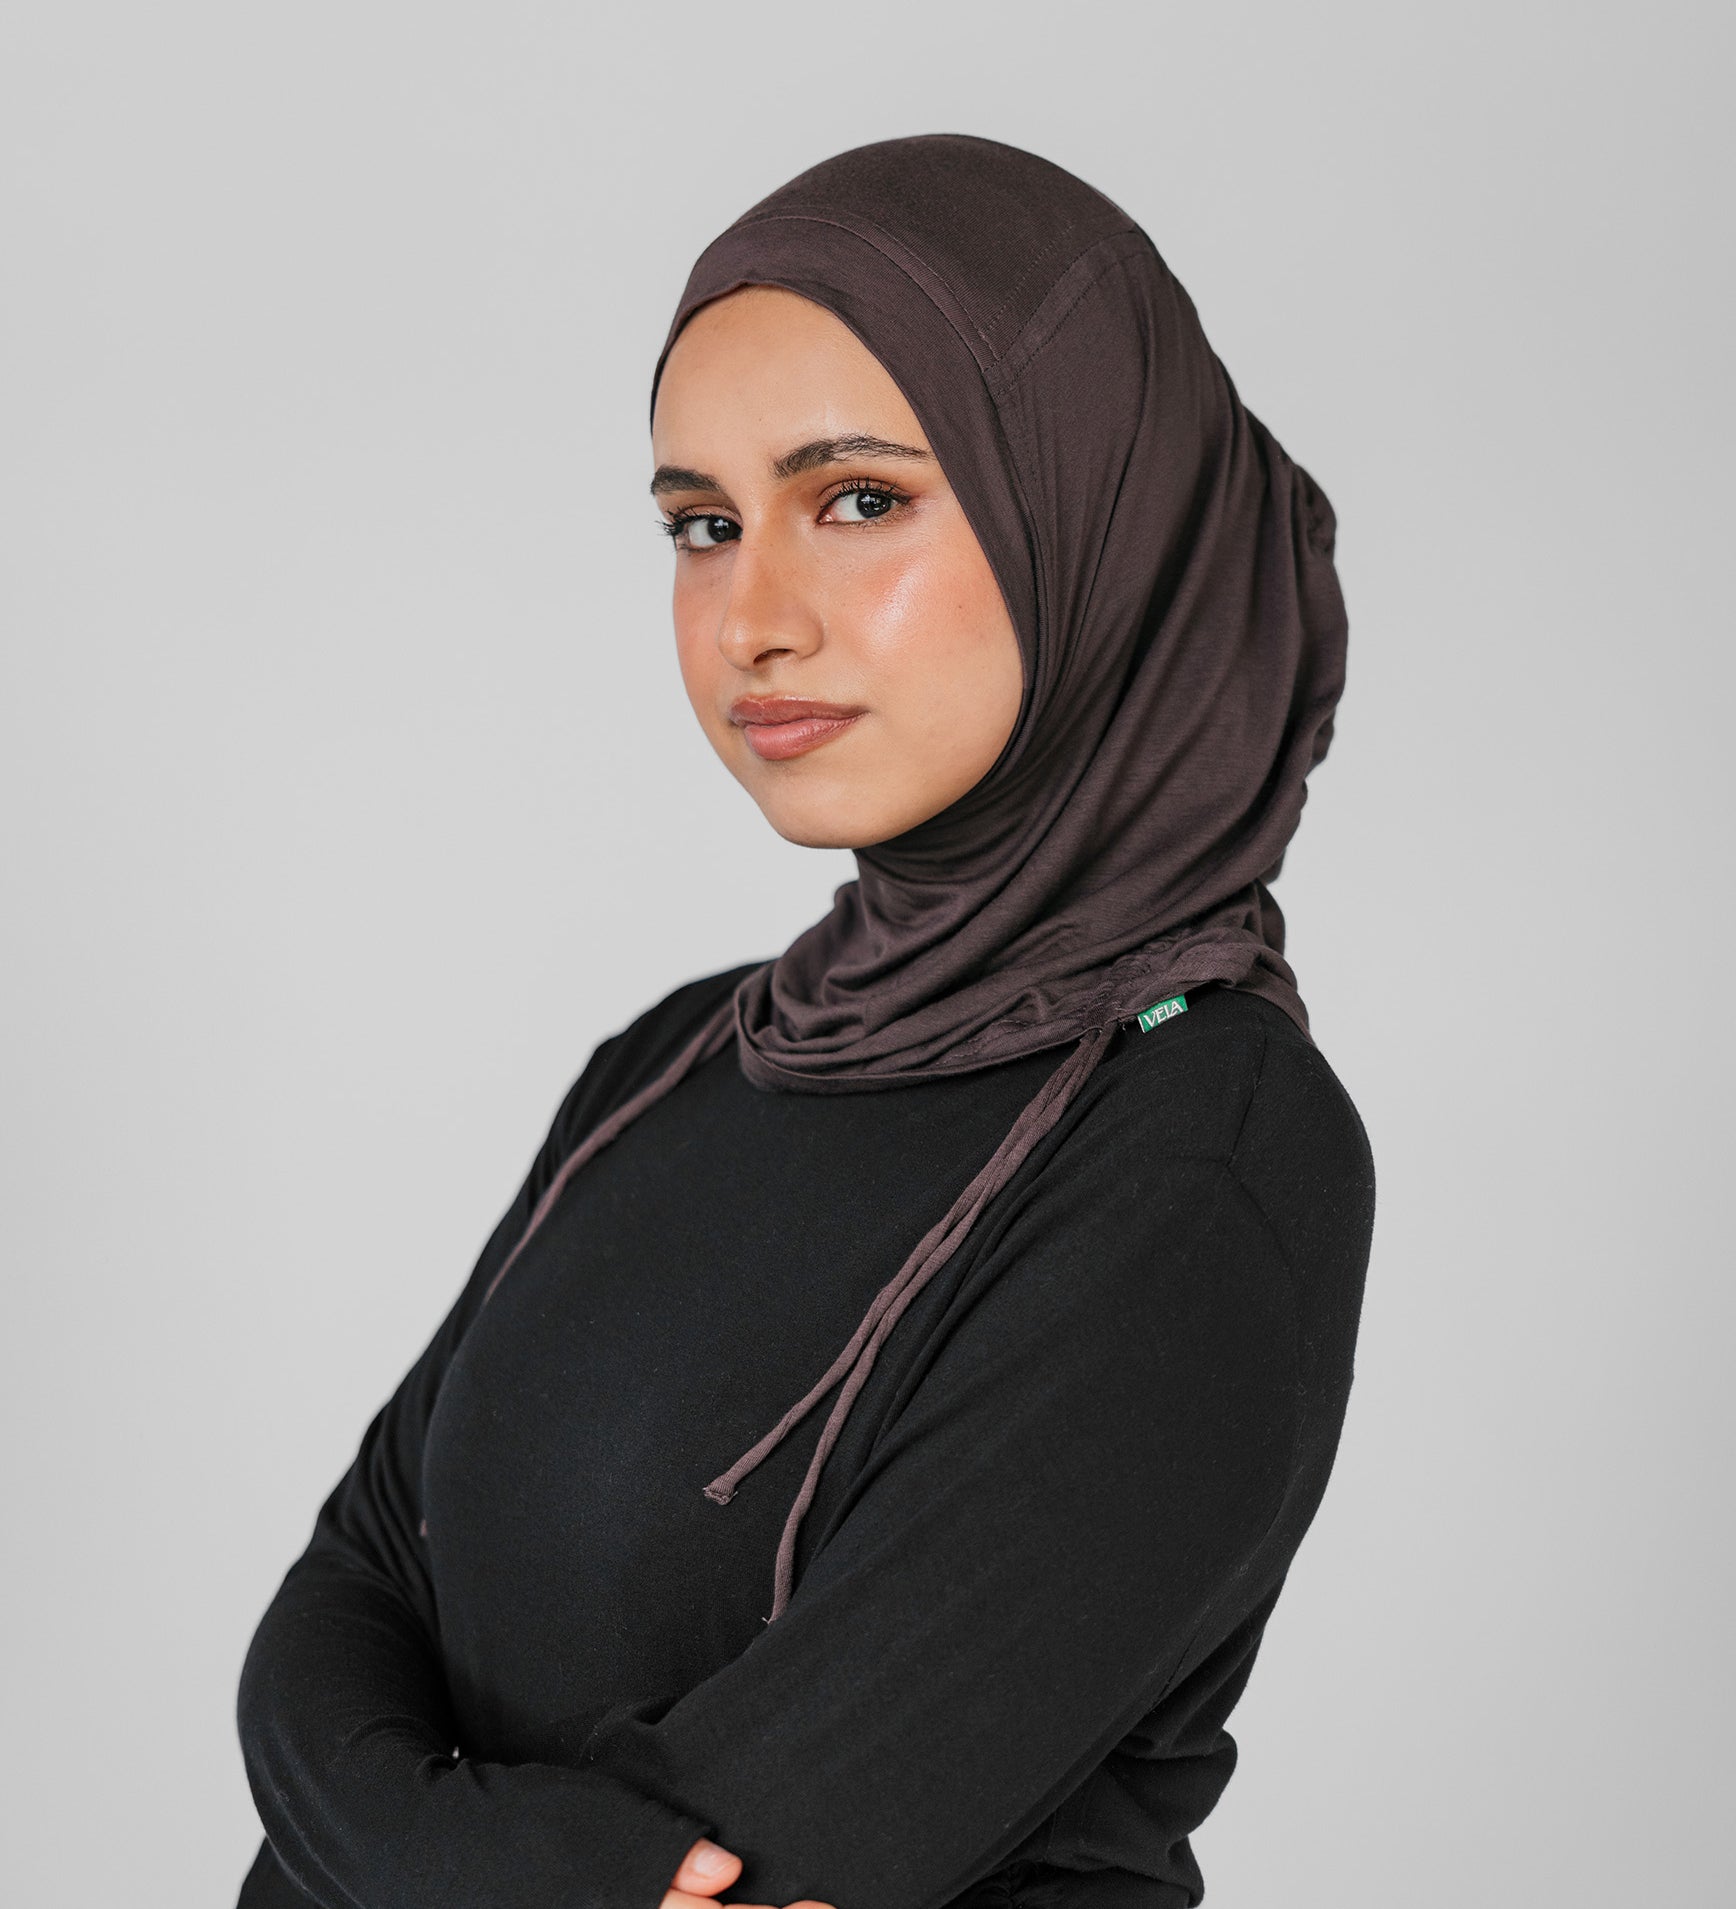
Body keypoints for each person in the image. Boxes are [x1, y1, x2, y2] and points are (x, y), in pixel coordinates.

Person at [234, 133, 1376, 1909]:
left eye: (855, 499)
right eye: (702, 526)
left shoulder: (1205, 1152)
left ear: (1094, 510)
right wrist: (481, 1857)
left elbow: (772, 1861)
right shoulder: (681, 1059)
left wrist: (368, 1841)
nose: (750, 619)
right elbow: (356, 1580)